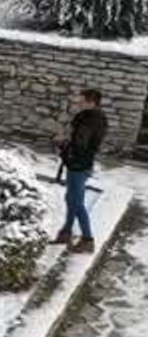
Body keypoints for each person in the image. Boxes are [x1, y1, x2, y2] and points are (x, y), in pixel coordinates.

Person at [52, 88, 108, 254]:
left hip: (79, 163)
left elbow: (81, 144)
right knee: (71, 198)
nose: (79, 102)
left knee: (76, 201)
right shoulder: (91, 117)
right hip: (78, 162)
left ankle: (87, 239)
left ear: (91, 102)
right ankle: (66, 233)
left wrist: (63, 146)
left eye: (82, 100)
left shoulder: (91, 120)